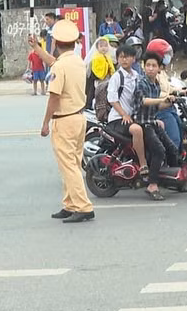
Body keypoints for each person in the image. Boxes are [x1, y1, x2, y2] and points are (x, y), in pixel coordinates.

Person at [40, 20, 94, 223]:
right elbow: (53, 62)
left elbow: (54, 97)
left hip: (64, 120)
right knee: (73, 163)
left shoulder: (61, 65)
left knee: (68, 165)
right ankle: (70, 204)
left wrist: (45, 123)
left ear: (56, 43)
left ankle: (83, 206)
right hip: (79, 118)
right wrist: (37, 49)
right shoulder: (77, 60)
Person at [134, 51, 184, 201]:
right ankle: (152, 185)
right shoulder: (141, 83)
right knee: (159, 151)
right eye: (148, 65)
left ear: (159, 69)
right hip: (142, 124)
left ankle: (175, 181)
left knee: (173, 148)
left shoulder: (155, 84)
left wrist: (170, 101)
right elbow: (143, 101)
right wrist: (161, 100)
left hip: (152, 122)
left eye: (153, 66)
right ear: (143, 67)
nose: (150, 68)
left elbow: (157, 107)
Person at [107, 45, 148, 174]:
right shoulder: (117, 77)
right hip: (118, 118)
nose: (124, 60)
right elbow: (112, 99)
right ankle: (143, 164)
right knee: (137, 130)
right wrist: (124, 114)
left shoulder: (136, 75)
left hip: (132, 117)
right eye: (121, 57)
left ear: (134, 59)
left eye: (127, 57)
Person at [148, 38, 185, 149]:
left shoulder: (162, 71)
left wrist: (180, 91)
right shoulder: (152, 72)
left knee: (183, 132)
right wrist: (169, 97)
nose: (168, 57)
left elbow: (168, 88)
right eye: (165, 54)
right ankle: (171, 163)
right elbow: (155, 93)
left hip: (170, 107)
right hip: (162, 110)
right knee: (174, 139)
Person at [85, 36, 115, 107]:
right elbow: (96, 69)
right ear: (97, 48)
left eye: (105, 46)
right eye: (101, 46)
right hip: (100, 79)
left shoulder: (108, 56)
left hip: (108, 78)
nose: (103, 48)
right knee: (99, 93)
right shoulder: (96, 57)